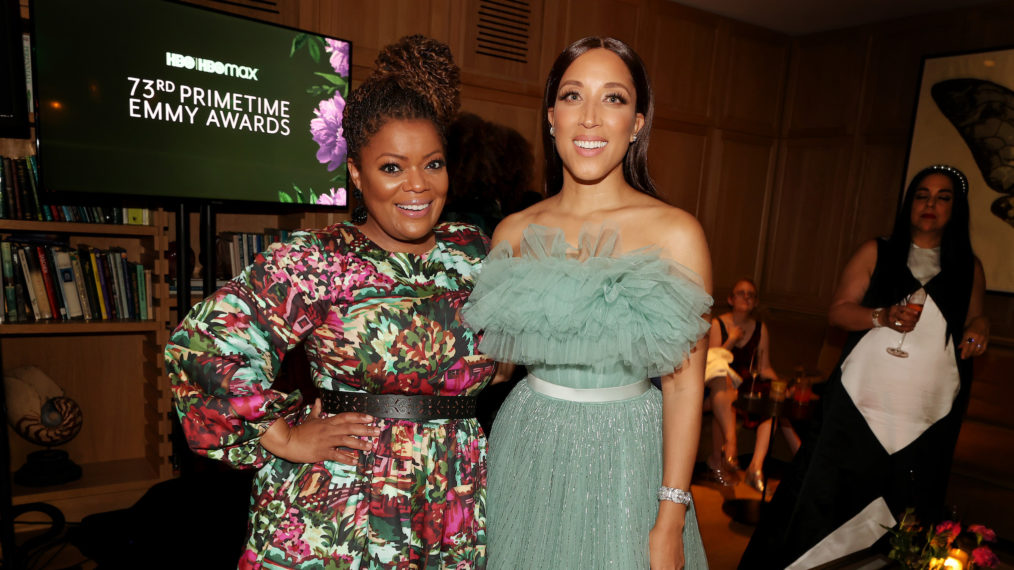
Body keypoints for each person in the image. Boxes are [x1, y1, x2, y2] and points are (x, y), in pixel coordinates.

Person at [164, 35, 495, 569]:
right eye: (392, 167)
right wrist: (286, 437)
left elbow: (503, 355)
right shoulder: (319, 258)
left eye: (432, 164)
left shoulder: (475, 252)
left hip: (452, 494)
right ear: (358, 175)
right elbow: (202, 348)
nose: (417, 184)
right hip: (346, 501)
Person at [462, 36, 713, 569]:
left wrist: (671, 515)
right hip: (526, 444)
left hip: (631, 455)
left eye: (614, 98)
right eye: (574, 96)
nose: (591, 118)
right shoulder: (512, 232)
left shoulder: (675, 233)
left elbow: (686, 383)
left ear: (638, 122)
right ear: (551, 115)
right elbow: (488, 366)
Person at [740, 164, 991, 569]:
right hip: (858, 408)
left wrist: (981, 327)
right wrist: (883, 317)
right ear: (909, 203)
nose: (930, 204)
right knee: (829, 497)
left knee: (906, 512)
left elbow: (976, 317)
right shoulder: (877, 251)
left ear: (956, 209)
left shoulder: (969, 267)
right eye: (922, 195)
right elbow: (838, 313)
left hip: (927, 417)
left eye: (943, 197)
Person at [704, 278, 800, 492]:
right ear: (730, 299)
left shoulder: (760, 328)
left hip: (747, 385)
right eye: (741, 293)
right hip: (720, 382)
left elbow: (763, 367)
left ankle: (756, 466)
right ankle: (728, 450)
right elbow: (712, 360)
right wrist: (732, 339)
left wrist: (779, 385)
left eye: (751, 294)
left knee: (772, 401)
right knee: (725, 387)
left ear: (755, 302)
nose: (746, 297)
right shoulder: (718, 324)